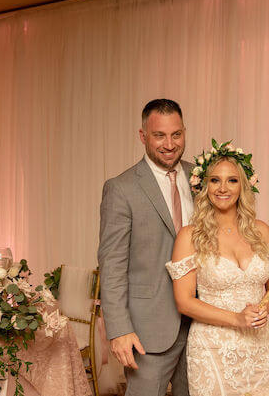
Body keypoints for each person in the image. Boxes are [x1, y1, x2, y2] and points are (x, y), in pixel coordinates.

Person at [165, 140, 269, 395]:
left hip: (258, 347)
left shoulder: (261, 231)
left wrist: (263, 309)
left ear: (244, 186)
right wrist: (236, 319)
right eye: (215, 180)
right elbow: (184, 302)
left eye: (232, 180)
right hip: (212, 349)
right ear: (204, 185)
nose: (223, 188)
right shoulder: (190, 236)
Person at [98, 99, 193, 396]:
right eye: (159, 135)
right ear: (143, 136)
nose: (169, 144)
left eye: (176, 134)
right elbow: (111, 265)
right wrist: (119, 329)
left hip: (202, 324)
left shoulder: (203, 178)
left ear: (184, 133)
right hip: (148, 329)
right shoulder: (121, 188)